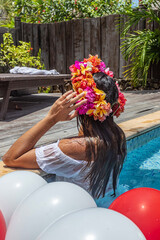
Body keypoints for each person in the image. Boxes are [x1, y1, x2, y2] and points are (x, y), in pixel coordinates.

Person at [2, 55, 127, 199]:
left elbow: (11, 157)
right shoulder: (118, 135)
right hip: (106, 205)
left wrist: (52, 118)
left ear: (80, 104)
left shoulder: (75, 147)